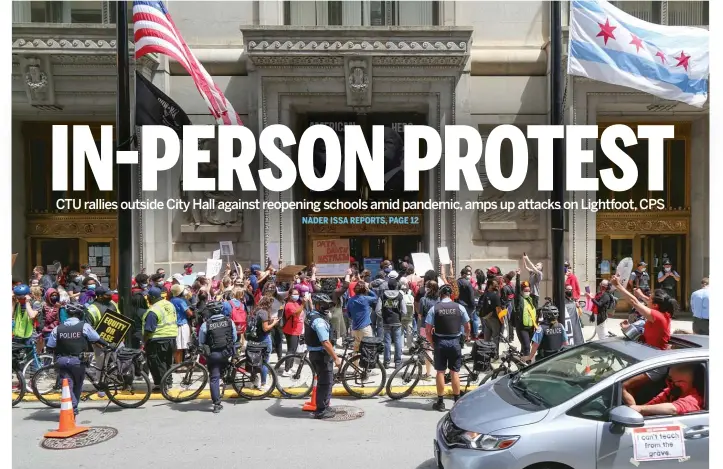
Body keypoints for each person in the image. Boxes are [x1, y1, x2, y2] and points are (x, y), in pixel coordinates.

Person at [46, 302, 108, 415]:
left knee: (67, 385)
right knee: (77, 385)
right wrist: (108, 345)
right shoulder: (84, 326)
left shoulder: (57, 329)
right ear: (80, 314)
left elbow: (49, 347)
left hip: (62, 361)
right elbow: (97, 338)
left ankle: (70, 408)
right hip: (78, 362)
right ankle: (73, 409)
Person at [425, 284, 471, 411]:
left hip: (440, 342)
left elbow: (428, 330)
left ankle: (440, 402)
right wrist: (466, 337)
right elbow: (468, 326)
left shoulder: (434, 308)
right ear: (451, 295)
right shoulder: (459, 307)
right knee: (454, 371)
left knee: (440, 371)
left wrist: (432, 343)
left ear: (440, 294)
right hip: (455, 342)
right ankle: (456, 400)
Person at [304, 293, 343, 419]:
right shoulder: (319, 321)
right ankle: (321, 410)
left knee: (324, 381)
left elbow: (310, 308)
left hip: (316, 354)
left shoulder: (311, 314)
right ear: (318, 305)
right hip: (322, 355)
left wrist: (308, 301)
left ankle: (324, 405)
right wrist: (336, 358)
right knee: (325, 382)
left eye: (328, 305)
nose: (327, 307)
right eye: (324, 305)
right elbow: (325, 342)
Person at [612, 277, 675, 350]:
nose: (647, 300)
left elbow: (634, 302)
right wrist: (629, 328)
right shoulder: (663, 313)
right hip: (649, 351)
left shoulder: (657, 316)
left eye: (650, 298)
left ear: (655, 305)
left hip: (654, 355)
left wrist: (618, 285)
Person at [198, 301, 237, 413]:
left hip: (214, 355)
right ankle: (226, 374)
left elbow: (201, 342)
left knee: (214, 378)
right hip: (227, 352)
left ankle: (216, 404)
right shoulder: (230, 321)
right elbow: (234, 338)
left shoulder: (206, 324)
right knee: (224, 367)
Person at [628, 364, 704, 416]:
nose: (674, 384)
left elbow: (673, 409)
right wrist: (637, 411)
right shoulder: (671, 390)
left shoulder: (694, 398)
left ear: (693, 382)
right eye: (671, 380)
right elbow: (652, 404)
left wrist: (641, 409)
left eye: (679, 382)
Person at [142, 287, 178, 392]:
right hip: (172, 338)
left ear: (152, 297)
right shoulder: (169, 304)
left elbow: (149, 330)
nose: (147, 298)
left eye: (148, 296)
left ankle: (161, 385)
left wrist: (144, 341)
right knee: (167, 362)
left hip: (158, 340)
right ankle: (168, 382)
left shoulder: (153, 310)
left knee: (157, 363)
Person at [376, 276, 405, 369]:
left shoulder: (382, 295)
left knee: (387, 342)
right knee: (397, 341)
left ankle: (386, 362)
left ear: (388, 285)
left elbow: (377, 310)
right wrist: (400, 317)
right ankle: (397, 362)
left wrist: (383, 316)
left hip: (386, 322)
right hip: (397, 321)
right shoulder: (400, 296)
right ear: (396, 285)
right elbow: (404, 310)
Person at [346, 281, 378, 352]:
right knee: (368, 350)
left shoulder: (350, 300)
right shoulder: (365, 299)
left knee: (356, 350)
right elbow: (375, 297)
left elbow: (349, 314)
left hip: (354, 328)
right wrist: (369, 290)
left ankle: (354, 363)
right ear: (364, 290)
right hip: (365, 327)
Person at [513, 274, 537, 358]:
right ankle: (527, 364)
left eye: (528, 290)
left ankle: (521, 361)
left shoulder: (530, 299)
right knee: (527, 347)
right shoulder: (519, 300)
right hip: (522, 328)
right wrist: (518, 276)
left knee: (525, 347)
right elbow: (517, 291)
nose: (527, 292)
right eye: (525, 290)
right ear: (522, 291)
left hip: (530, 328)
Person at [280, 288, 303, 376]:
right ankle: (286, 370)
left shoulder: (296, 303)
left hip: (296, 330)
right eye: (294, 294)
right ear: (289, 295)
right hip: (291, 330)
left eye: (297, 294)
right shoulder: (289, 305)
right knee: (291, 350)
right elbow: (297, 313)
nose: (296, 295)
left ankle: (290, 366)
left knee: (293, 349)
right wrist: (304, 303)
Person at [169, 284, 194, 364]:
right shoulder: (180, 301)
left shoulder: (171, 300)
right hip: (181, 325)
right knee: (179, 347)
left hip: (174, 325)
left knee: (179, 346)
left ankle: (179, 363)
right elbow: (189, 313)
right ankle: (179, 365)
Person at [479, 279, 502, 358]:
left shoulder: (485, 294)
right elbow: (498, 309)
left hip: (486, 318)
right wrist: (501, 321)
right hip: (494, 319)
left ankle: (486, 354)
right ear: (490, 285)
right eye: (495, 284)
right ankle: (494, 355)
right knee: (495, 337)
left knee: (487, 337)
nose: (496, 285)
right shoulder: (495, 295)